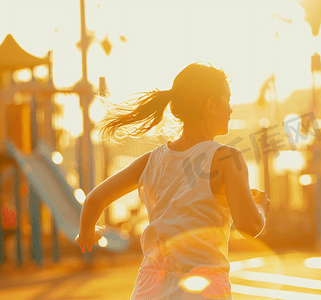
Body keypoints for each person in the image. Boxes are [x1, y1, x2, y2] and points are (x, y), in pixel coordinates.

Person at [75, 62, 271, 300]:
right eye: (227, 99)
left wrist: (86, 234)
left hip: (150, 285)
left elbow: (95, 199)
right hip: (202, 286)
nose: (230, 109)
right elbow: (249, 226)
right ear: (211, 103)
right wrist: (260, 206)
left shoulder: (150, 161)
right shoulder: (227, 158)